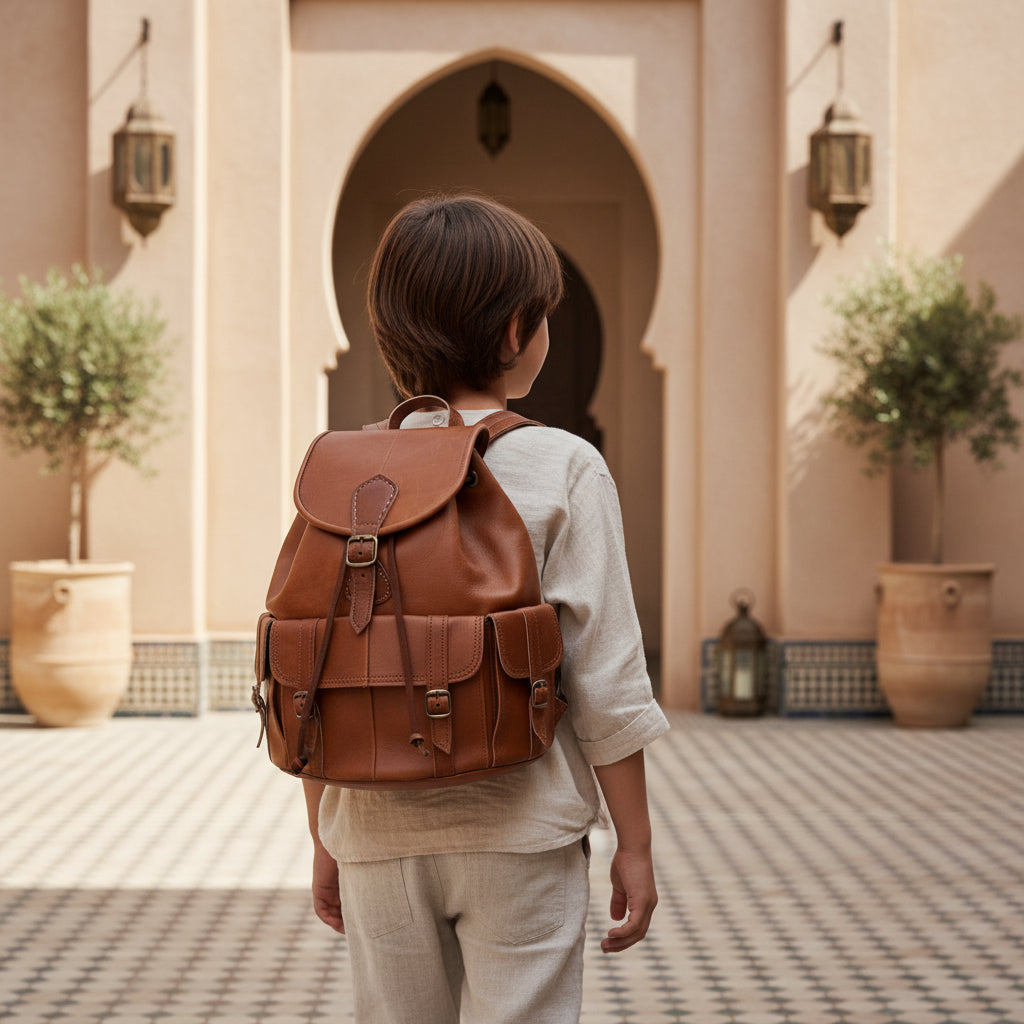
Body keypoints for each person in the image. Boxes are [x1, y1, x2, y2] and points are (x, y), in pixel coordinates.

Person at [302, 193, 670, 1023]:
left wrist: (324, 831)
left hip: (373, 833)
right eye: (542, 317)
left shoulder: (341, 472)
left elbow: (316, 669)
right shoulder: (565, 466)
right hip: (522, 831)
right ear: (514, 332)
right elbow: (608, 681)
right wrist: (634, 846)